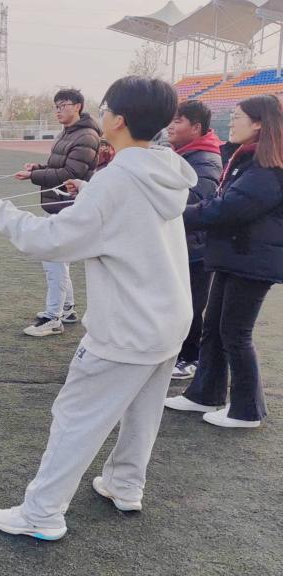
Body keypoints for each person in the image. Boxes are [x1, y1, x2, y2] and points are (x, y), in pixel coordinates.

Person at [0, 76, 196, 540]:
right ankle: (124, 485)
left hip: (127, 327)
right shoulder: (163, 169)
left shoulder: (117, 180)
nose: (104, 114)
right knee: (142, 413)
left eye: (107, 108)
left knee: (75, 417)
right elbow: (123, 220)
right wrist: (87, 193)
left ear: (119, 120)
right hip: (167, 319)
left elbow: (52, 240)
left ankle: (41, 513)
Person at [163, 95, 283, 429]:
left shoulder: (267, 166)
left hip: (252, 260)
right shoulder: (245, 157)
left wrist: (176, 215)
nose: (231, 121)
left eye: (237, 116)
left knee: (235, 333)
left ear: (258, 123)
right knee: (214, 328)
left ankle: (247, 410)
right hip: (235, 255)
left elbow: (229, 208)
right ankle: (205, 393)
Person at [15, 88, 101, 337]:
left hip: (68, 206)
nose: (58, 110)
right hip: (57, 205)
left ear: (78, 106)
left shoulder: (86, 135)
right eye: (57, 106)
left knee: (53, 260)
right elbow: (58, 165)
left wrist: (33, 176)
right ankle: (66, 309)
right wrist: (37, 167)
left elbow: (70, 174)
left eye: (63, 105)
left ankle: (53, 318)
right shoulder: (68, 133)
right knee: (56, 260)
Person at [165, 100, 223, 380]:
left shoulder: (206, 159)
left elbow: (196, 200)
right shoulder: (183, 153)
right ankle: (178, 352)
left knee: (191, 305)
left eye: (178, 121)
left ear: (196, 127)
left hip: (195, 248)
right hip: (181, 243)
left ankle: (191, 357)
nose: (170, 127)